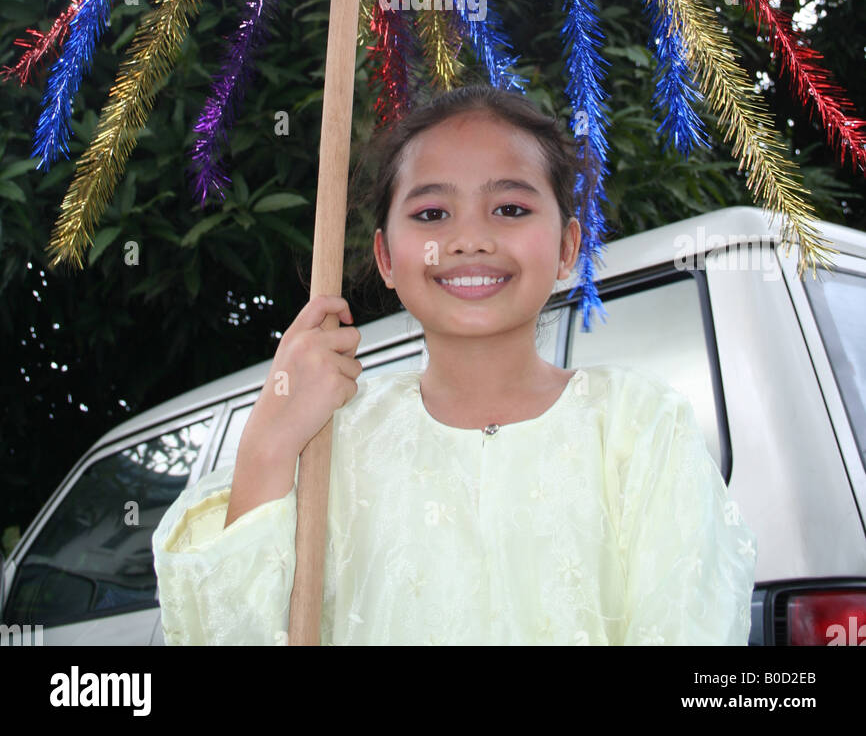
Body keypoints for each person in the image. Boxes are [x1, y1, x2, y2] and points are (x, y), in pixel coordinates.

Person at [152, 85, 757, 645]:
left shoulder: (639, 426)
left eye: (511, 210)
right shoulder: (328, 442)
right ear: (386, 257)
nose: (470, 239)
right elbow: (222, 632)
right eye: (432, 215)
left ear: (570, 247)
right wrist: (269, 441)